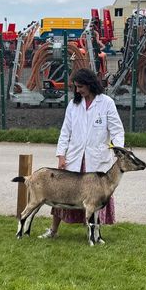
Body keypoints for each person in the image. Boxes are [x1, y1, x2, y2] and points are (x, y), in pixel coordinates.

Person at [39, 67, 125, 239]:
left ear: (90, 84)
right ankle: (53, 230)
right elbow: (65, 132)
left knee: (95, 197)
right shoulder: (73, 105)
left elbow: (117, 130)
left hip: (97, 160)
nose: (77, 90)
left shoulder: (106, 103)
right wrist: (61, 156)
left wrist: (118, 150)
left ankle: (93, 234)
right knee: (63, 193)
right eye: (75, 87)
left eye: (80, 87)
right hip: (75, 158)